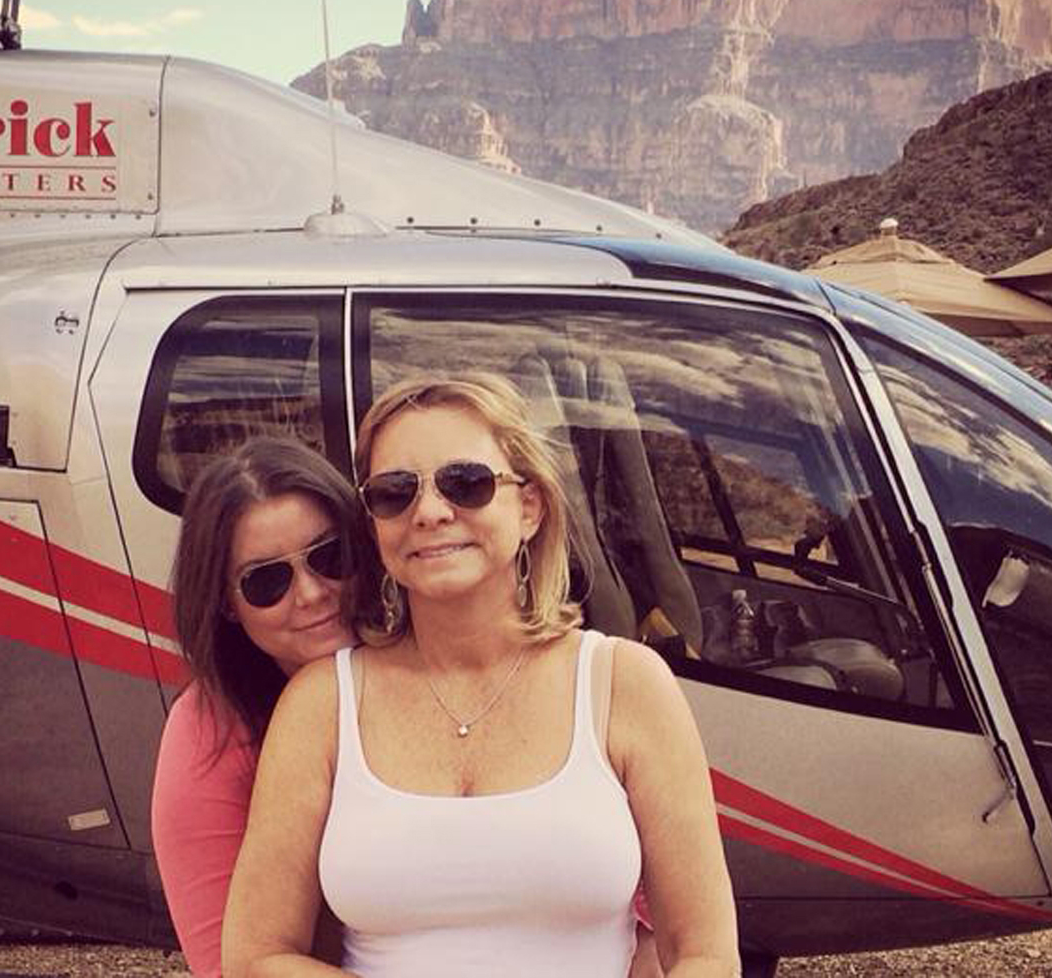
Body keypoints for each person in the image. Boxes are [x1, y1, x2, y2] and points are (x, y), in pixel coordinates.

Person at [222, 375, 739, 978]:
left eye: (465, 483)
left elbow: (703, 952)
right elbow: (256, 955)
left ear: (529, 507)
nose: (431, 512)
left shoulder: (624, 684)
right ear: (374, 525)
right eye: (395, 492)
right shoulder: (321, 706)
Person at [151, 437, 365, 978]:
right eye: (267, 580)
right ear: (225, 601)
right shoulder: (210, 733)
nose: (312, 593)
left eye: (329, 556)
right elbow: (226, 963)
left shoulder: (422, 670)